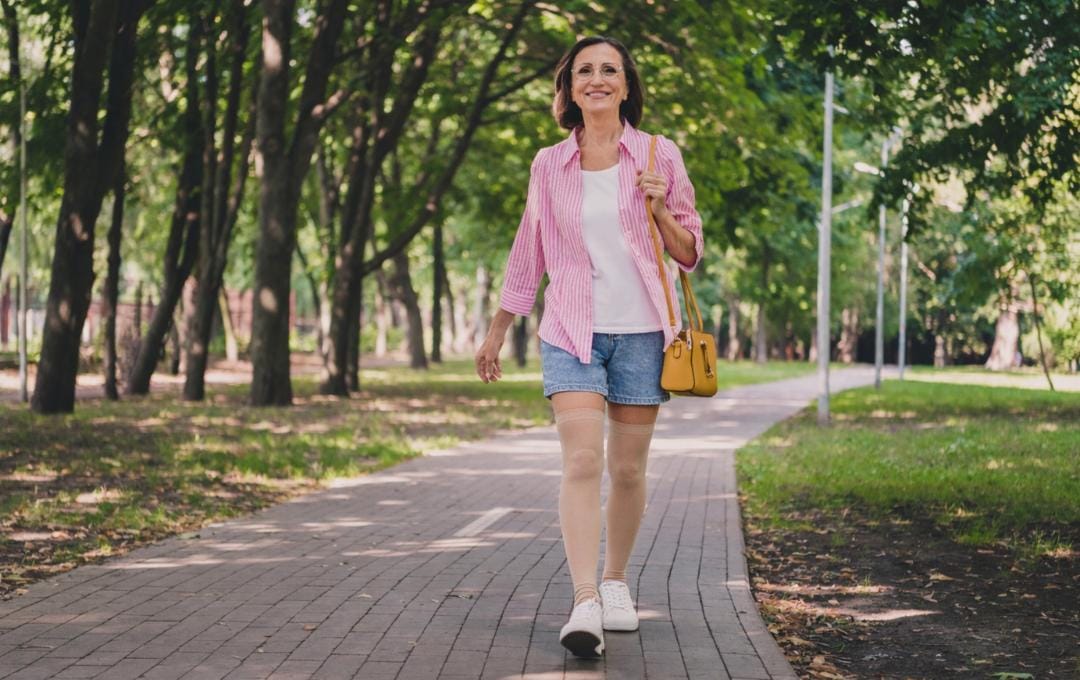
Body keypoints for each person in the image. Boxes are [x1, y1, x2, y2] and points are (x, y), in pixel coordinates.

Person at [474, 35, 703, 659]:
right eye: (585, 72)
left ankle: (616, 581)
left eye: (609, 70)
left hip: (644, 334)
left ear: (626, 86)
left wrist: (658, 210)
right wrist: (499, 328)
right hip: (572, 331)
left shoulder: (659, 153)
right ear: (570, 88)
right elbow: (530, 248)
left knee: (627, 470)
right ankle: (583, 600)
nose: (597, 80)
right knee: (580, 463)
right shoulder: (549, 163)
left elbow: (688, 253)